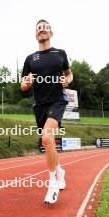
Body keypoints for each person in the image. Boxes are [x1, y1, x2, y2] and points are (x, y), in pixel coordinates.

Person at [21, 19, 73, 204]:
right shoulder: (30, 59)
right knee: (48, 142)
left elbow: (68, 73)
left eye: (44, 28)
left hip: (57, 101)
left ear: (51, 33)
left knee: (46, 138)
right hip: (39, 106)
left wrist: (68, 80)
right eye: (38, 29)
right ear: (36, 35)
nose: (41, 30)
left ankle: (52, 185)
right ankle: (60, 171)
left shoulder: (60, 53)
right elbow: (23, 84)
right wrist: (26, 84)